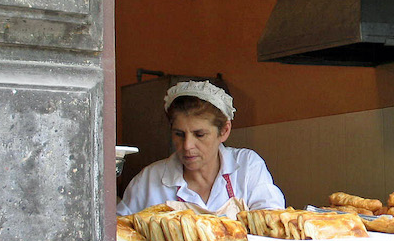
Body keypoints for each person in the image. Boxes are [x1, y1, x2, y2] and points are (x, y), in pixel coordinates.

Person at [117, 80, 285, 215]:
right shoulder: (149, 180)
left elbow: (271, 222)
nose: (187, 145)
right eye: (179, 134)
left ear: (224, 131)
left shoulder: (247, 167)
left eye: (199, 134)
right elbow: (119, 233)